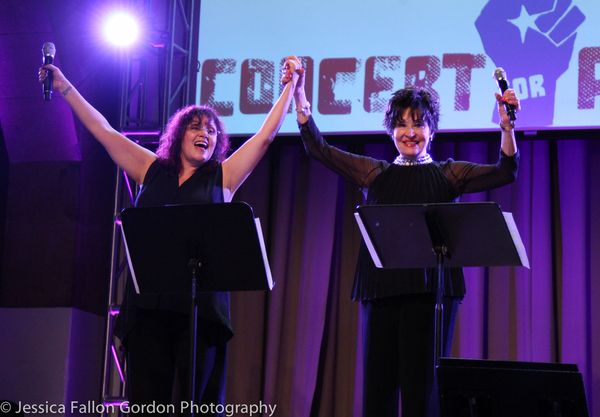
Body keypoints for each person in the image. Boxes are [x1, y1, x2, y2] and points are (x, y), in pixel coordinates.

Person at [40, 56, 303, 416]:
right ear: (179, 135)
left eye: (212, 131)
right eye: (196, 127)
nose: (205, 134)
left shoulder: (222, 178)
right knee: (148, 405)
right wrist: (64, 87)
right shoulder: (150, 169)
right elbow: (104, 131)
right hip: (149, 310)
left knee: (201, 408)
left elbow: (265, 136)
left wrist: (291, 86)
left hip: (200, 314)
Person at [284, 58, 520, 416]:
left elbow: (506, 171)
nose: (410, 132)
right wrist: (300, 96)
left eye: (419, 123)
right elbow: (318, 149)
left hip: (431, 291)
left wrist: (506, 127)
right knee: (376, 392)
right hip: (380, 290)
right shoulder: (375, 173)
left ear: (433, 129)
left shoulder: (449, 173)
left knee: (421, 396)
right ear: (390, 131)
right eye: (401, 125)